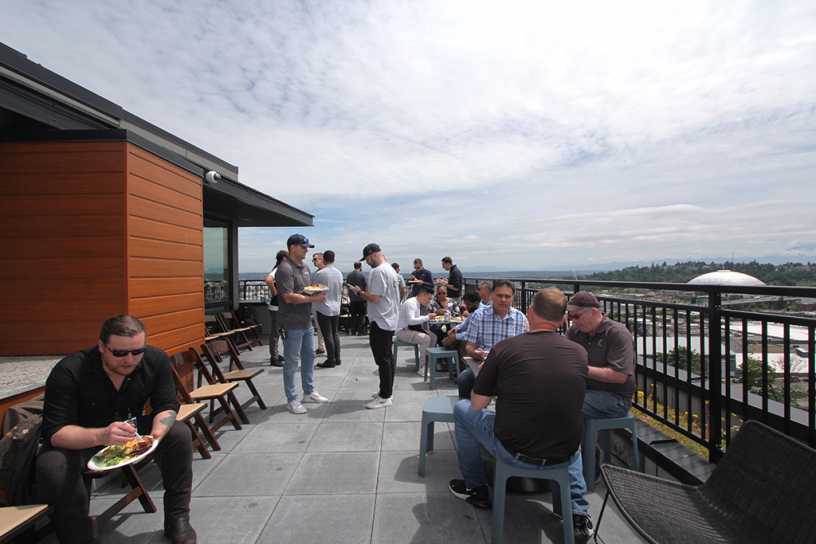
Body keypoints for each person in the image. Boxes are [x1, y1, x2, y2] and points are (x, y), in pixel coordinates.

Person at [35, 315, 196, 544]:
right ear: (102, 346)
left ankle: (178, 519)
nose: (129, 360)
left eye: (137, 351)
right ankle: (78, 537)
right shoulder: (70, 370)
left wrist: (156, 436)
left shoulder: (155, 359)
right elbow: (55, 432)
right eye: (119, 353)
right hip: (83, 439)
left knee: (178, 433)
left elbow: (167, 406)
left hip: (130, 431)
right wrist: (101, 435)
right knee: (52, 464)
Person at [448, 288, 593, 541]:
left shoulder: (505, 350)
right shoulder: (579, 353)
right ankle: (579, 513)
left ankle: (477, 488)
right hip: (563, 452)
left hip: (515, 451)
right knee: (571, 441)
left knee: (462, 409)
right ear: (562, 320)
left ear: (530, 313)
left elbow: (478, 404)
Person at [276, 234, 330, 414]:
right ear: (293, 247)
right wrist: (314, 298)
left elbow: (304, 289)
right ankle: (292, 399)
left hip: (306, 320)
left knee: (309, 357)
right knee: (291, 362)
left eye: (307, 247)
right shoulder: (284, 269)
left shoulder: (305, 267)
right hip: (291, 322)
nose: (307, 250)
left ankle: (309, 392)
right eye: (304, 247)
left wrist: (315, 291)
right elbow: (287, 297)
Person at [566, 291, 635, 420]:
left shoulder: (617, 333)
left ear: (594, 312)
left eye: (576, 316)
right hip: (584, 389)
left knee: (563, 403)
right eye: (569, 316)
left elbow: (620, 375)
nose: (573, 321)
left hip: (615, 397)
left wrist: (580, 368)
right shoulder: (575, 332)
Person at [348, 243, 401, 409]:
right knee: (387, 357)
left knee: (382, 359)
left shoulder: (378, 272)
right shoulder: (391, 270)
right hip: (389, 318)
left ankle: (385, 396)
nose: (367, 263)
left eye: (367, 259)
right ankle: (387, 391)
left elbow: (375, 298)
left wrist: (359, 292)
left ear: (372, 255)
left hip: (380, 320)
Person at [455, 280, 528, 400]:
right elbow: (469, 346)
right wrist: (476, 353)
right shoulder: (479, 315)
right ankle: (469, 411)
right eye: (499, 295)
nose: (503, 299)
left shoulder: (521, 318)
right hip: (483, 364)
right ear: (492, 295)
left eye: (507, 296)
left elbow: (524, 350)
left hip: (509, 365)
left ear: (512, 298)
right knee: (464, 379)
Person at [395, 285, 438, 376]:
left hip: (410, 329)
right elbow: (411, 321)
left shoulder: (416, 302)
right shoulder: (411, 303)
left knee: (433, 337)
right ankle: (422, 367)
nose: (429, 301)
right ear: (422, 295)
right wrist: (427, 317)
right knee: (426, 338)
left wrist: (427, 317)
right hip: (402, 331)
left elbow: (416, 319)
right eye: (429, 298)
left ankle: (429, 364)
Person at [314, 250, 343, 368]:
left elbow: (314, 289)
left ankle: (331, 360)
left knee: (327, 334)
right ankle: (337, 358)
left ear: (324, 260)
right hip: (336, 307)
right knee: (335, 333)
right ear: (334, 259)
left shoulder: (320, 273)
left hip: (323, 307)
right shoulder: (339, 273)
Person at [265, 250, 288, 367]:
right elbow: (268, 280)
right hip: (277, 307)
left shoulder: (280, 269)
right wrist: (275, 293)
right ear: (284, 259)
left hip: (280, 306)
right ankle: (274, 358)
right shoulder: (278, 269)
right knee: (276, 333)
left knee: (280, 332)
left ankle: (277, 355)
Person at [311, 252, 327, 356]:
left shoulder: (321, 273)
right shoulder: (317, 273)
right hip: (318, 302)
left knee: (323, 327)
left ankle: (324, 347)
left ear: (321, 259)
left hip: (321, 302)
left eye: (315, 259)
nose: (313, 261)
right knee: (320, 326)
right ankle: (321, 347)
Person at [346, 261, 367, 335]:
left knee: (353, 316)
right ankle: (360, 331)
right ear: (360, 266)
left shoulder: (349, 275)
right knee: (362, 315)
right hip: (361, 298)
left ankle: (353, 330)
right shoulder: (363, 275)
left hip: (352, 299)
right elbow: (366, 286)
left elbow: (348, 286)